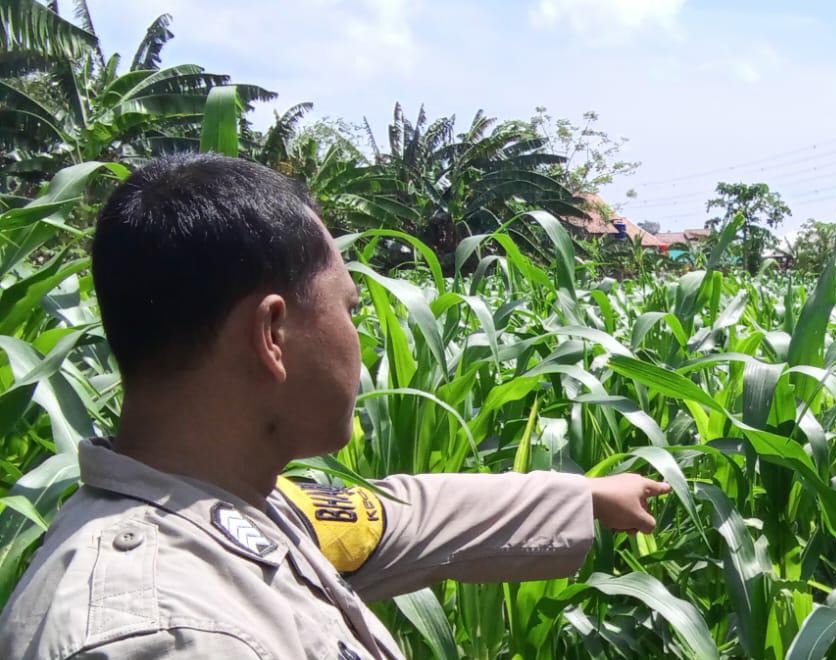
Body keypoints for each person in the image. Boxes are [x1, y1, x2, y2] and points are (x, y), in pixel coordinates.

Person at [0, 153, 670, 659]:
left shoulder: (232, 504)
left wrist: (584, 496)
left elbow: (401, 515)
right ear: (272, 334)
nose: (361, 340)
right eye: (350, 310)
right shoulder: (166, 632)